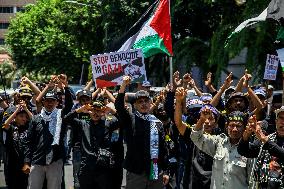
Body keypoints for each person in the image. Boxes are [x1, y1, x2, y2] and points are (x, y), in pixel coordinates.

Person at [115, 76, 170, 189]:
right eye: (140, 102)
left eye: (146, 101)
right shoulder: (130, 119)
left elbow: (163, 148)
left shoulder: (157, 122)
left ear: (150, 102)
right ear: (134, 105)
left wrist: (165, 171)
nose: (143, 104)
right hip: (136, 172)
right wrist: (124, 85)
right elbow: (119, 107)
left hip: (155, 172)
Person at [22, 78, 73, 189]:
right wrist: (26, 162)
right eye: (47, 100)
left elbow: (69, 105)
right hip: (37, 160)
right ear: (43, 102)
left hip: (55, 160)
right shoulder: (36, 119)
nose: (50, 103)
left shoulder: (61, 116)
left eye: (52, 100)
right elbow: (29, 142)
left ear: (57, 102)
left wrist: (66, 87)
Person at [64, 101, 120, 189]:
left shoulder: (108, 123)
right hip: (86, 167)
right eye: (93, 110)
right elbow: (66, 119)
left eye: (98, 111)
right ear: (89, 111)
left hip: (103, 168)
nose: (95, 113)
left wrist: (112, 111)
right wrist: (79, 110)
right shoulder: (83, 124)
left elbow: (124, 121)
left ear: (102, 112)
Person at [190, 110, 252, 189]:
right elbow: (196, 137)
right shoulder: (218, 142)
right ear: (226, 126)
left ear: (244, 127)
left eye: (238, 126)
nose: (235, 129)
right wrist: (202, 119)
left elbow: (251, 181)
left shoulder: (249, 149)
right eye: (232, 125)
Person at [174, 87, 220, 189]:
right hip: (192, 182)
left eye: (211, 119)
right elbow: (178, 123)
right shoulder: (193, 133)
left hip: (213, 182)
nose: (207, 122)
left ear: (216, 122)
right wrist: (178, 101)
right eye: (204, 118)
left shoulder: (220, 137)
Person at [238, 106, 284, 189]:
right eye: (281, 118)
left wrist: (264, 138)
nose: (283, 122)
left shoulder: (265, 139)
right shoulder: (268, 138)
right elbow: (245, 151)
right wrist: (246, 134)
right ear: (276, 121)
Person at [2, 101, 32, 189]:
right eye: (21, 116)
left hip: (25, 163)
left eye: (25, 117)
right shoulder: (11, 128)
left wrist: (25, 109)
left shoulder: (28, 128)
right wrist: (17, 110)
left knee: (25, 185)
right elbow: (5, 124)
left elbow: (35, 120)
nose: (24, 119)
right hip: (12, 164)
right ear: (15, 117)